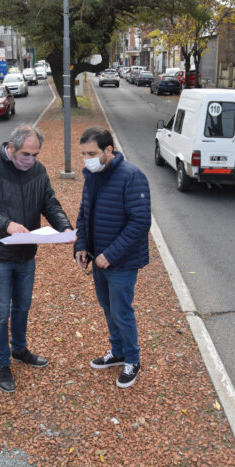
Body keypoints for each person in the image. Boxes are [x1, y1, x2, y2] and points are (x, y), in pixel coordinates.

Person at [0, 124, 72, 393]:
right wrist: (5, 224)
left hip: (26, 253)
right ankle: (2, 364)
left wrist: (65, 227)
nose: (30, 160)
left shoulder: (38, 171)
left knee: (22, 306)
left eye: (35, 155)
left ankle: (19, 349)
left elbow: (50, 203)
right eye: (25, 154)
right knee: (0, 312)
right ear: (11, 147)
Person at [74, 127, 151, 388]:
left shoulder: (132, 176)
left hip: (121, 262)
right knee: (108, 308)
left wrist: (111, 254)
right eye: (84, 154)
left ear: (109, 150)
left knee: (122, 311)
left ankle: (133, 359)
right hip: (98, 260)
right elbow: (84, 212)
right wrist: (81, 245)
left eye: (92, 153)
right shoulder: (92, 176)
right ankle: (117, 352)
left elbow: (140, 222)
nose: (87, 159)